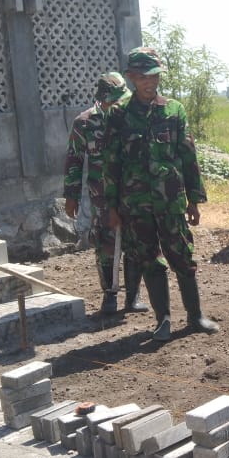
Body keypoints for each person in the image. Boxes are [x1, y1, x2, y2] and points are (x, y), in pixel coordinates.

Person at [103, 47, 219, 341]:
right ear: (131, 78)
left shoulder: (173, 110)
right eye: (142, 76)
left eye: (154, 75)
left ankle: (195, 317)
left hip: (171, 202)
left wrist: (195, 199)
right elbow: (111, 162)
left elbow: (188, 156)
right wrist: (111, 206)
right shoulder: (118, 114)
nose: (149, 82)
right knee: (149, 261)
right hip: (135, 205)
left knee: (182, 257)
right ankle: (163, 320)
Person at [63, 72, 149, 315]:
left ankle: (132, 297)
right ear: (101, 100)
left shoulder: (132, 116)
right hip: (101, 195)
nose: (118, 104)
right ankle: (109, 295)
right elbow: (74, 160)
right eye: (114, 101)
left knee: (134, 244)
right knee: (106, 244)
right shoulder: (84, 123)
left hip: (132, 193)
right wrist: (72, 196)